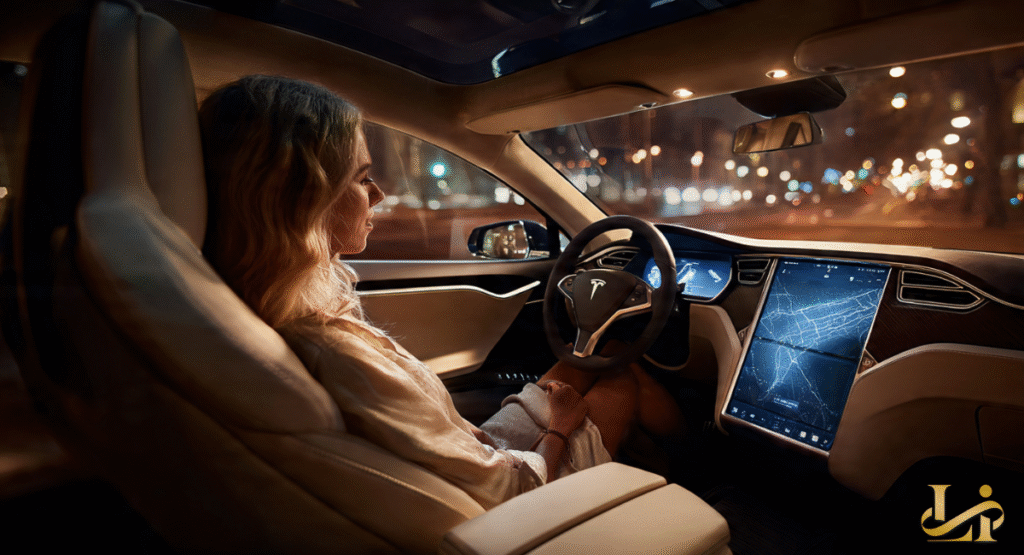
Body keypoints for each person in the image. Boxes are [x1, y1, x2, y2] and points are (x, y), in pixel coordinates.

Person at [198, 75, 682, 510]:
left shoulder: (275, 310)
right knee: (616, 377)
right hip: (517, 496)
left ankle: (672, 449)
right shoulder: (338, 353)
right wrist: (560, 427)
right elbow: (515, 492)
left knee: (601, 351)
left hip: (475, 456)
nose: (380, 195)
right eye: (363, 178)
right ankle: (688, 467)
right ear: (305, 196)